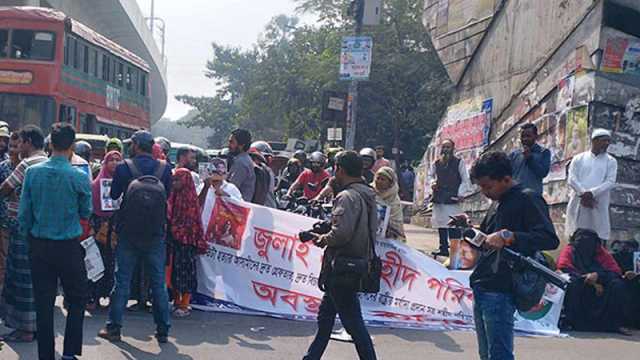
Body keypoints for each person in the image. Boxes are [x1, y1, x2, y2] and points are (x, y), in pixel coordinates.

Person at [459, 151, 559, 360]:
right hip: (483, 283)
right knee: (486, 353)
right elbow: (486, 240)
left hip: (502, 288)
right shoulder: (497, 200)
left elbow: (549, 238)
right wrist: (467, 228)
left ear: (506, 179)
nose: (484, 192)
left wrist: (510, 236)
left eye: (487, 186)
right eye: (481, 187)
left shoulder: (528, 198)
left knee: (500, 354)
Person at [19, 123, 92, 360]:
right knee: (77, 298)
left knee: (43, 302)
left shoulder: (33, 173)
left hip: (39, 245)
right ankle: (69, 353)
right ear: (72, 146)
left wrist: (30, 239)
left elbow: (24, 215)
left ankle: (45, 356)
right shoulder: (78, 176)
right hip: (68, 247)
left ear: (50, 144)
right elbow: (85, 211)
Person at [98, 130, 172, 343]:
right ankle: (163, 330)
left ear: (138, 145)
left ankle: (114, 328)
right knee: (158, 283)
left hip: (128, 233)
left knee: (122, 280)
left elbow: (113, 195)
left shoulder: (124, 167)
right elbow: (167, 195)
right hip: (155, 234)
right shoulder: (165, 169)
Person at [303, 150, 377, 360]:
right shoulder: (366, 193)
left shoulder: (347, 196)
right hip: (355, 263)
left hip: (343, 266)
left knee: (354, 325)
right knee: (325, 318)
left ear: (339, 169)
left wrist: (322, 238)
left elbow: (342, 233)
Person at [0, 125, 48, 343]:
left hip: (23, 228)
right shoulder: (49, 162)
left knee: (22, 279)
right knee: (40, 280)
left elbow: (5, 189)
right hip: (45, 231)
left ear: (28, 142)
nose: (18, 147)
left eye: (21, 143)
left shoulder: (27, 164)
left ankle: (25, 329)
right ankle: (36, 326)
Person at [557, 229, 633, 335]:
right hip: (580, 284)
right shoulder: (570, 250)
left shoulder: (601, 253)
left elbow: (615, 272)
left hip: (602, 287)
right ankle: (571, 322)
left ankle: (613, 324)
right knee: (572, 283)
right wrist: (589, 281)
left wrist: (599, 276)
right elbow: (564, 267)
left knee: (617, 285)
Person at [167, 168, 208, 318]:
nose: (174, 183)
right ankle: (176, 301)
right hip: (175, 241)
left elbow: (193, 223)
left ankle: (185, 303)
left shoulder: (190, 201)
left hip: (186, 243)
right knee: (175, 274)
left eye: (177, 180)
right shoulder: (173, 196)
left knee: (186, 274)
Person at [565, 129, 617, 243]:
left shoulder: (611, 161)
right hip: (579, 201)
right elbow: (571, 179)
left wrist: (592, 193)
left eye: (609, 141)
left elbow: (610, 181)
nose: (607, 143)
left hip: (598, 203)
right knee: (575, 234)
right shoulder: (578, 158)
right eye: (604, 140)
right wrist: (583, 194)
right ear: (594, 141)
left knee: (598, 236)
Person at [89, 150, 123, 310]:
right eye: (112, 160)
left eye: (118, 160)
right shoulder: (96, 185)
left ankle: (110, 298)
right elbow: (91, 208)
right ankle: (93, 297)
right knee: (96, 262)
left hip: (116, 228)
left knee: (112, 264)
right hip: (98, 228)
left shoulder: (123, 184)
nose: (115, 163)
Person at [428, 140, 471, 257]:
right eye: (444, 147)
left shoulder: (459, 162)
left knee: (454, 223)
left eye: (448, 147)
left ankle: (454, 248)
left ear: (453, 148)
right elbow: (430, 176)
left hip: (453, 196)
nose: (446, 149)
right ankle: (443, 248)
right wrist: (432, 183)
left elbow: (465, 178)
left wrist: (461, 193)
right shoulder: (436, 163)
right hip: (439, 196)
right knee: (441, 222)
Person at [0, 132, 19, 314]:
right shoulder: (3, 167)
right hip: (4, 222)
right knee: (4, 261)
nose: (12, 150)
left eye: (15, 146)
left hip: (21, 225)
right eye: (10, 146)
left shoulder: (26, 168)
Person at [508, 123, 551, 195]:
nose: (525, 139)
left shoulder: (544, 152)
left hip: (533, 198)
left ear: (536, 136)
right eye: (522, 136)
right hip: (515, 196)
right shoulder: (514, 154)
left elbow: (543, 173)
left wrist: (530, 158)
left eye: (528, 136)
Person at [372, 166, 405, 241]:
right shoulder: (369, 193)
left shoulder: (394, 201)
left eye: (383, 179)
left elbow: (396, 224)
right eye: (378, 178)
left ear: (390, 183)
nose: (379, 181)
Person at [227, 129, 256, 202]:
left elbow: (231, 188)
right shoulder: (244, 159)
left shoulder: (241, 163)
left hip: (238, 207)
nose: (229, 145)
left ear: (241, 145)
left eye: (231, 142)